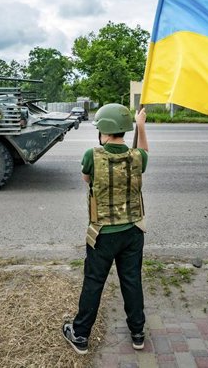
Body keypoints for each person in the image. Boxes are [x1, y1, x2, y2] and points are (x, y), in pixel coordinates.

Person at [63, 103, 149, 355]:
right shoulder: (137, 157)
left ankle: (79, 335)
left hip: (102, 234)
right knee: (131, 281)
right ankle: (137, 333)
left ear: (106, 131)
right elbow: (144, 152)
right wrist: (141, 126)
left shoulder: (92, 155)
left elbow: (86, 180)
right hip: (133, 231)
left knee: (94, 282)